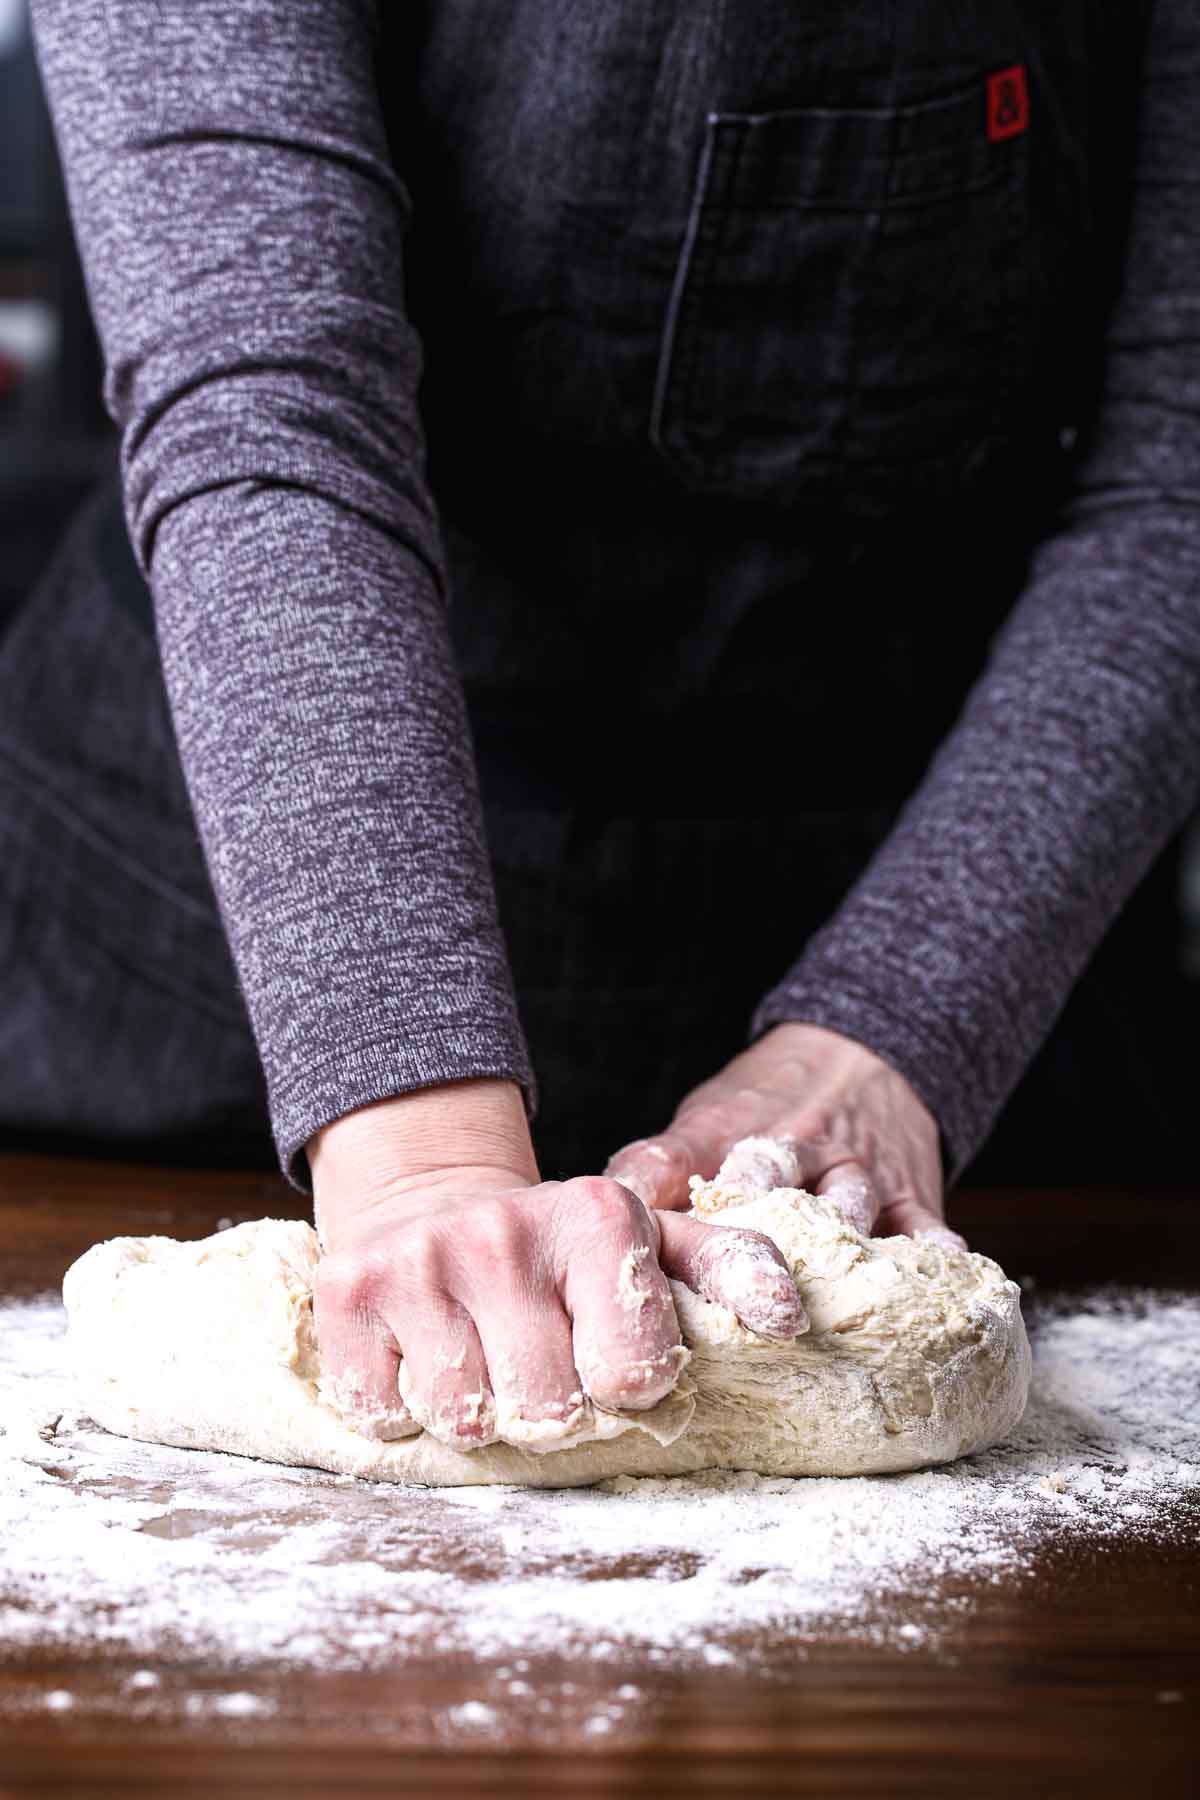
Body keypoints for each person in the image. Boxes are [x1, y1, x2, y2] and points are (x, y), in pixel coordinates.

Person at [8, 1, 1197, 1446]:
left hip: (962, 900)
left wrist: (896, 1032)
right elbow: (269, 405)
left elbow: (1177, 482)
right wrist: (421, 1156)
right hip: (238, 943)